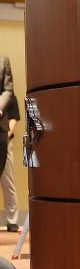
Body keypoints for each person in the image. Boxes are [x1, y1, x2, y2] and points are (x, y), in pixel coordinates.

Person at [2, 94, 19, 233]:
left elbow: (14, 118)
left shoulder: (10, 96)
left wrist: (4, 136)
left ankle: (12, 221)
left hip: (5, 143)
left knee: (8, 182)